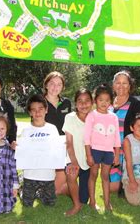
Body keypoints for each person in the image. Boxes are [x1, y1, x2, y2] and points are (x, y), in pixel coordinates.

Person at [84, 84, 120, 211]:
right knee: (93, 175)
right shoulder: (92, 115)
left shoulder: (113, 117)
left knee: (105, 177)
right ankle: (92, 202)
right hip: (95, 151)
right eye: (100, 100)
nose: (104, 103)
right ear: (95, 101)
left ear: (110, 101)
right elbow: (87, 137)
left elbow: (116, 137)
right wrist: (89, 155)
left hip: (108, 152)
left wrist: (116, 155)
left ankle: (107, 202)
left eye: (107, 100)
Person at [110, 70, 140, 195]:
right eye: (118, 83)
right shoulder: (107, 103)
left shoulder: (136, 104)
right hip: (111, 151)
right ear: (113, 85)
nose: (121, 86)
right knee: (112, 188)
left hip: (128, 151)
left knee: (130, 186)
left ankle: (131, 181)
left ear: (130, 86)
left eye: (125, 83)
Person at [21, 94, 60, 207]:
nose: (37, 113)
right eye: (33, 110)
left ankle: (40, 193)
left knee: (50, 204)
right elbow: (22, 152)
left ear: (46, 110)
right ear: (29, 112)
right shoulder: (26, 130)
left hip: (47, 175)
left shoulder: (52, 129)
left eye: (40, 109)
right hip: (30, 175)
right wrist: (17, 148)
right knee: (27, 204)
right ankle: (22, 189)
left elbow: (57, 149)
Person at [62, 88, 93, 216]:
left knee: (84, 199)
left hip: (87, 162)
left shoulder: (94, 118)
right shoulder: (70, 118)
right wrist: (74, 163)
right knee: (72, 174)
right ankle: (76, 206)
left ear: (92, 103)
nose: (83, 104)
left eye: (87, 101)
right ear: (75, 103)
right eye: (80, 101)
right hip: (72, 158)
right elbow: (69, 143)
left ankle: (73, 194)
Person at [43, 71, 72, 195]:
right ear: (46, 85)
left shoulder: (66, 103)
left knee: (64, 180)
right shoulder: (39, 102)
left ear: (63, 87)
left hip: (63, 146)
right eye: (52, 84)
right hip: (45, 145)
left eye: (59, 84)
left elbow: (70, 125)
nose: (55, 87)